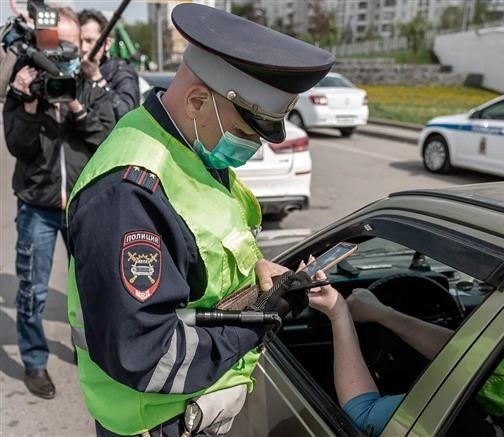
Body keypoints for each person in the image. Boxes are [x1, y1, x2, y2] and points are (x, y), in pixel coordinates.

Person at [65, 3, 335, 436]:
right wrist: (257, 322)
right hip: (156, 420)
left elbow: (200, 260)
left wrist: (257, 284)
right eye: (247, 133)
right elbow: (142, 353)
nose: (251, 149)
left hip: (196, 405)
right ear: (196, 100)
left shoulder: (190, 145)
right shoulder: (128, 193)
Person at [308, 276, 504, 437]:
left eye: (488, 294)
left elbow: (361, 414)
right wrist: (384, 315)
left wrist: (338, 313)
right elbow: (468, 354)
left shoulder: (455, 411)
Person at [3, 6, 116, 400]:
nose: (61, 56)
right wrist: (28, 102)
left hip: (84, 208)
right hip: (37, 206)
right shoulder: (25, 82)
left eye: (69, 47)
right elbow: (18, 146)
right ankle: (35, 362)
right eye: (54, 47)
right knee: (32, 292)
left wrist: (74, 105)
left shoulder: (87, 81)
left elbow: (106, 137)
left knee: (92, 288)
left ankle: (95, 354)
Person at [78, 9, 140, 120]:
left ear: (107, 43)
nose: (83, 48)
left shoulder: (122, 73)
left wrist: (97, 78)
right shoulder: (76, 72)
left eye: (89, 41)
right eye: (79, 41)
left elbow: (126, 115)